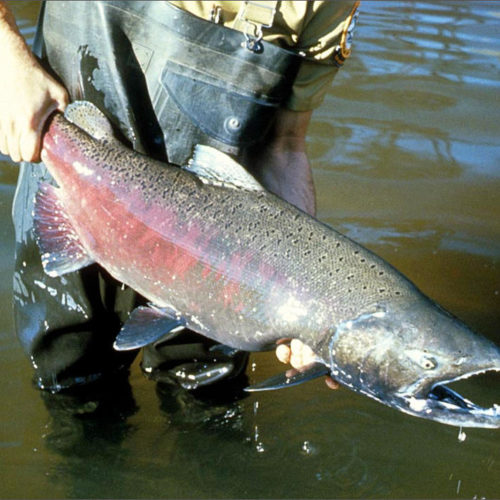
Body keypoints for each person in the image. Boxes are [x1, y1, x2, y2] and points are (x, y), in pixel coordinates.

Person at [0, 1, 357, 394]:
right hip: (75, 176)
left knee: (207, 402)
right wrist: (8, 57)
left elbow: (284, 146)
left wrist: (305, 296)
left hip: (214, 252)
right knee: (73, 384)